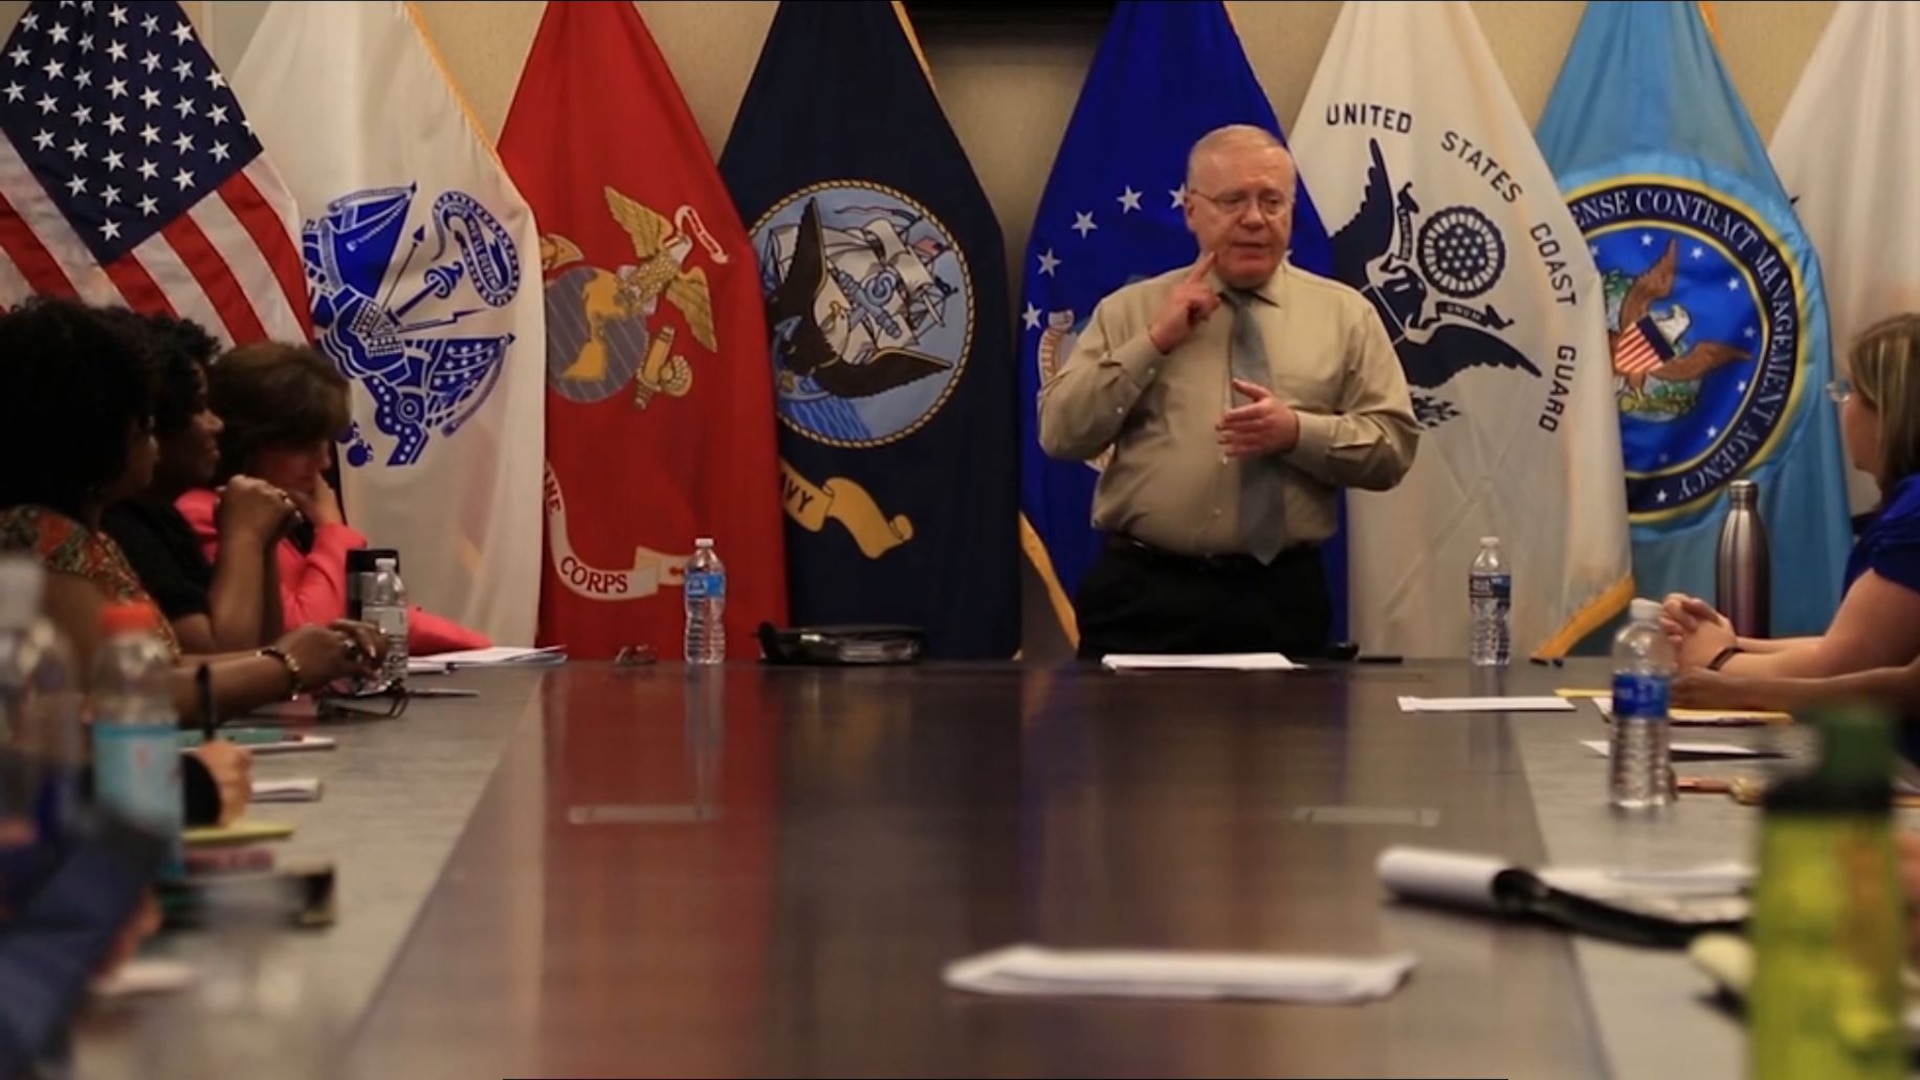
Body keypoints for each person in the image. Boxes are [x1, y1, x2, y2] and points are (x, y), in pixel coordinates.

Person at [1037, 124, 1419, 660]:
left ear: (1291, 212)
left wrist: (1297, 433)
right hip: (1144, 596)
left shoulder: (1346, 316)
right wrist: (1153, 343)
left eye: (1272, 201)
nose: (1254, 219)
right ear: (1191, 211)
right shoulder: (1130, 310)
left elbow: (1394, 447)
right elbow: (1060, 434)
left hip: (1279, 598)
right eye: (1233, 200)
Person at [0, 297, 383, 827]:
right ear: (100, 431)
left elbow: (167, 667)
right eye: (145, 422)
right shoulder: (35, 536)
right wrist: (284, 666)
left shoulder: (83, 536)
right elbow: (119, 695)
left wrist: (296, 652)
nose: (155, 437)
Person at [180, 341, 490, 655]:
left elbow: (376, 615)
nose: (324, 463)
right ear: (249, 442)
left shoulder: (284, 514)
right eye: (305, 447)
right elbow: (308, 634)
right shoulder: (205, 514)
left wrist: (485, 651)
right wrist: (333, 532)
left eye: (325, 445)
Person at [1662, 313, 1920, 678]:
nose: (1843, 405)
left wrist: (1718, 661)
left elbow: (1840, 669)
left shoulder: (1914, 515)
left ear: (1888, 412)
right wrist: (1718, 641)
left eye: (1850, 391)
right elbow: (1846, 645)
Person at [97, 311, 295, 655]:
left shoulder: (163, 516)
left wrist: (264, 543)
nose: (217, 425)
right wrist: (245, 536)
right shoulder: (118, 523)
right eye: (200, 407)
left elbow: (264, 656)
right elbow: (217, 659)